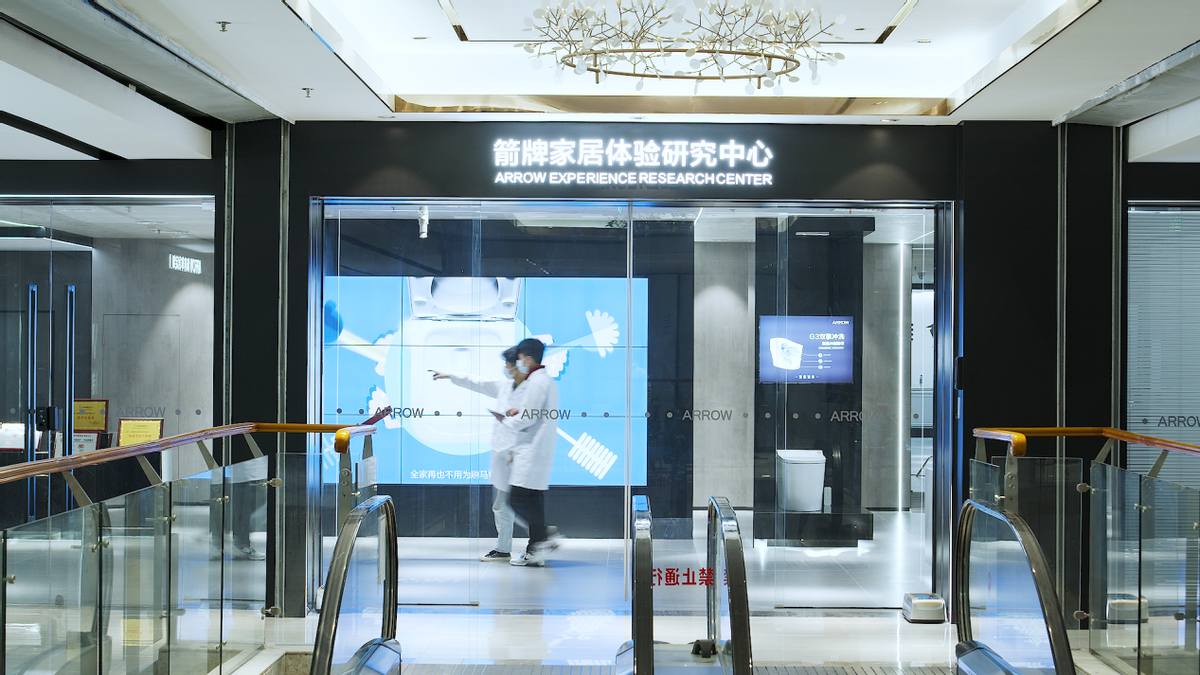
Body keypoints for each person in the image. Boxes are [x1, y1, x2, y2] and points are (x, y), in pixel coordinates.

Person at [430, 346, 524, 562]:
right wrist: (450, 375)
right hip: (505, 456)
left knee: (515, 505)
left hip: (516, 456)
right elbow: (477, 382)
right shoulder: (505, 386)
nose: (505, 368)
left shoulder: (528, 392)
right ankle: (507, 547)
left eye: (507, 364)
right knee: (504, 505)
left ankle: (539, 540)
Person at [499, 337, 560, 567]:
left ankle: (545, 534)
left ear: (528, 358)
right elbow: (533, 411)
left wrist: (506, 422)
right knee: (534, 501)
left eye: (520, 358)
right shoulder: (545, 381)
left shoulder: (536, 382)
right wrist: (520, 410)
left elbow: (528, 417)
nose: (519, 362)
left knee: (516, 499)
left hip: (531, 449)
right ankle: (535, 551)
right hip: (538, 449)